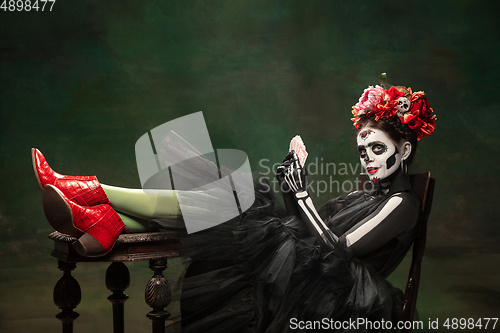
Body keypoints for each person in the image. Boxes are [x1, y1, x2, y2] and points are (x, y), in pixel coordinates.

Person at [33, 75, 436, 331]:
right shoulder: (365, 194)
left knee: (234, 197)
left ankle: (94, 193)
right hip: (308, 266)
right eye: (362, 149)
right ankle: (107, 217)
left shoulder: (403, 204)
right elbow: (313, 229)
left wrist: (300, 193)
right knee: (228, 198)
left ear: (403, 150)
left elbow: (341, 250)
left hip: (336, 296)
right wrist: (294, 180)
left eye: (377, 148)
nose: (367, 158)